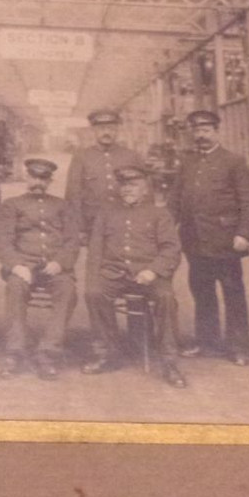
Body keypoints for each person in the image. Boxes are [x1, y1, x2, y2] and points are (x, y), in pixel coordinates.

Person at [82, 166, 186, 388]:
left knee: (166, 298)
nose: (128, 189)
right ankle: (107, 354)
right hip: (115, 274)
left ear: (145, 187)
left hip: (150, 275)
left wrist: (153, 271)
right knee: (94, 293)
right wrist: (93, 279)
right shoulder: (106, 213)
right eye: (124, 185)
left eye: (134, 184)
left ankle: (169, 362)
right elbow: (95, 251)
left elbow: (171, 250)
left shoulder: (159, 214)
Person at [168, 109, 249, 366]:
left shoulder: (234, 161)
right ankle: (208, 342)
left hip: (225, 240)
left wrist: (244, 233)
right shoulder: (187, 162)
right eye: (197, 131)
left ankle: (239, 346)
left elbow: (248, 201)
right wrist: (164, 228)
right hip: (194, 239)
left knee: (232, 292)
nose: (201, 135)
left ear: (216, 131)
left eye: (206, 130)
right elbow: (175, 198)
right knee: (202, 291)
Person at [0, 158, 80, 380]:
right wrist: (16, 265)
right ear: (27, 177)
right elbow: (3, 241)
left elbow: (72, 241)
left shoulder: (62, 206)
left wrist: (59, 263)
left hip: (54, 267)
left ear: (50, 181)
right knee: (15, 288)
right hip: (24, 266)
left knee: (68, 291)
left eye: (43, 178)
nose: (38, 182)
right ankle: (15, 352)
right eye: (34, 177)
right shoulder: (12, 205)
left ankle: (48, 352)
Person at [64, 109, 142, 231]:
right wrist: (77, 228)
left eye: (111, 129)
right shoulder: (81, 157)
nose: (107, 133)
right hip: (92, 223)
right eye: (102, 129)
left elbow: (145, 192)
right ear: (94, 131)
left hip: (125, 222)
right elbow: (73, 195)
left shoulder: (131, 156)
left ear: (117, 131)